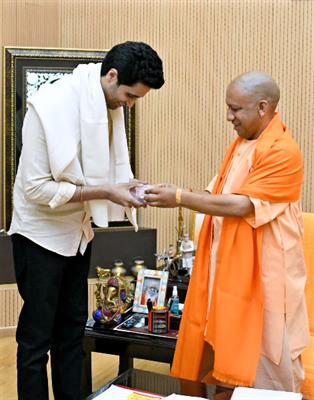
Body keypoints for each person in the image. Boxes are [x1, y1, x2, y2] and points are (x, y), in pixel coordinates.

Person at [8, 41, 164, 400]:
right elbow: (36, 189)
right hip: (39, 237)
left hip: (78, 235)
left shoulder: (106, 105)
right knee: (36, 341)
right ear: (110, 76)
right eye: (129, 95)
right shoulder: (48, 107)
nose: (129, 104)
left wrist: (126, 188)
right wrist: (106, 192)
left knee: (73, 334)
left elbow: (99, 177)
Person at [144, 71, 309, 392]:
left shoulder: (283, 151)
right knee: (223, 360)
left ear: (263, 107)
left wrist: (179, 198)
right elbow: (215, 196)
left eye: (236, 109)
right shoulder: (241, 144)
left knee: (263, 370)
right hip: (227, 275)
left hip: (265, 282)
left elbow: (242, 206)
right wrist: (174, 190)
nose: (228, 116)